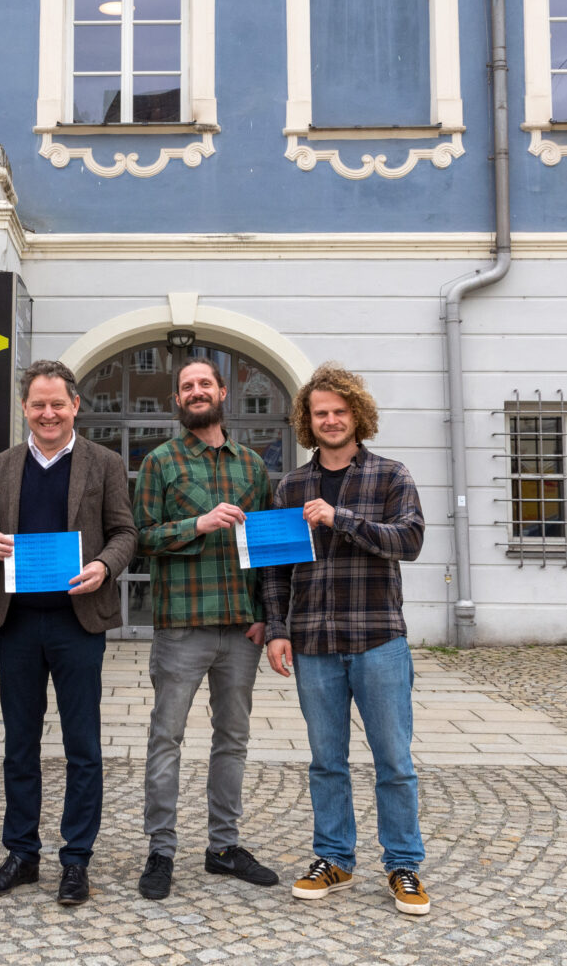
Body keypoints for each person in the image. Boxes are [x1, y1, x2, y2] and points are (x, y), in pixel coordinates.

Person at [262, 363, 428, 913]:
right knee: (325, 760)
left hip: (378, 638)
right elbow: (274, 571)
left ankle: (403, 865)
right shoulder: (290, 485)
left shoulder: (391, 475)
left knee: (393, 760)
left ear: (356, 415)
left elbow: (409, 541)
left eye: (339, 411)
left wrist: (342, 519)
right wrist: (277, 631)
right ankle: (334, 858)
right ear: (307, 422)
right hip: (312, 643)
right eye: (320, 413)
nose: (330, 420)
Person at [0, 360, 137, 906]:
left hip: (77, 621)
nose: (48, 413)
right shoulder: (5, 462)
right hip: (17, 621)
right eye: (38, 404)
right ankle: (21, 853)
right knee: (18, 746)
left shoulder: (105, 462)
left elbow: (125, 532)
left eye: (57, 404)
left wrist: (106, 567)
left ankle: (76, 860)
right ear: (25, 407)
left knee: (82, 747)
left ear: (75, 406)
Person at [131, 356, 280, 899]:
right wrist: (197, 523)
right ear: (177, 399)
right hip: (181, 625)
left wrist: (267, 614)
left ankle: (223, 847)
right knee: (165, 737)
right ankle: (160, 850)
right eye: (186, 386)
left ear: (222, 394)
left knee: (233, 739)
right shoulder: (160, 463)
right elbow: (140, 537)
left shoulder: (254, 467)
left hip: (241, 627)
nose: (196, 392)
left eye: (204, 384)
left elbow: (265, 550)